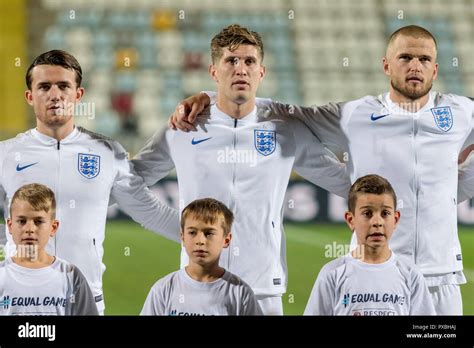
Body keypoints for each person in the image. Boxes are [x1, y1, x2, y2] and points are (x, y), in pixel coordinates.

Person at [170, 25, 474, 315]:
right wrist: (210, 98)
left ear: (435, 68)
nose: (415, 66)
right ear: (386, 65)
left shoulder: (460, 112)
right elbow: (282, 113)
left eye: (424, 59)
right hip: (371, 272)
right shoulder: (354, 115)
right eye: (405, 57)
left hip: (442, 276)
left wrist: (454, 190)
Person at [132, 24, 351, 315]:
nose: (241, 69)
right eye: (231, 61)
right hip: (198, 287)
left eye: (249, 61)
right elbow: (128, 182)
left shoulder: (285, 131)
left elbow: (347, 183)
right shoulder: (183, 129)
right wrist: (176, 227)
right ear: (214, 71)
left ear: (262, 72)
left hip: (264, 290)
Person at [0, 50, 181, 314]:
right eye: (44, 87)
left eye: (63, 86)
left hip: (84, 300)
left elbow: (151, 213)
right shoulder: (6, 153)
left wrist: (218, 238)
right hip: (19, 301)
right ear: (30, 96)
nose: (55, 94)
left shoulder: (106, 153)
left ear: (78, 95)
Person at [304, 174, 435, 315]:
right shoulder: (332, 274)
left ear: (395, 219)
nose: (377, 222)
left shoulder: (411, 275)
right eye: (367, 213)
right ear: (350, 219)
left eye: (385, 213)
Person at [141, 198, 262, 315]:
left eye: (209, 233)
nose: (200, 241)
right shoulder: (163, 290)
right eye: (192, 232)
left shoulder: (240, 293)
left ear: (226, 240)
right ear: (182, 237)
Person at [0, 183, 98, 315]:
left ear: (53, 227)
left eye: (38, 221)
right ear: (10, 226)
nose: (29, 229)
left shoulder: (69, 275)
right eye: (22, 221)